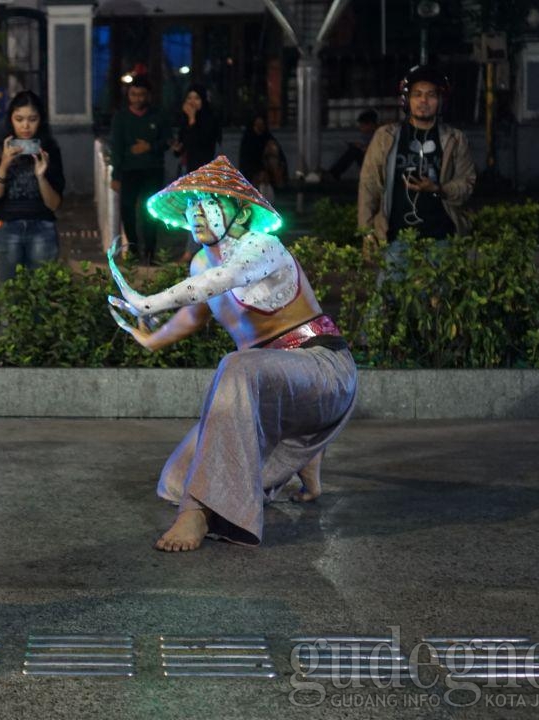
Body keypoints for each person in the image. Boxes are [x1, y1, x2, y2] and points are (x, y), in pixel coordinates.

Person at [106, 156, 357, 552]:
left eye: (207, 201)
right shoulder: (201, 262)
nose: (195, 213)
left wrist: (147, 303)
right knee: (173, 482)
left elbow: (223, 280)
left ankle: (197, 513)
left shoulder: (263, 245)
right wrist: (148, 338)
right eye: (190, 204)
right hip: (263, 388)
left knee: (235, 366)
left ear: (239, 211)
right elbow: (193, 314)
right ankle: (298, 453)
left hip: (320, 368)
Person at [358, 66, 475, 251]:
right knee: (389, 281)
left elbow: (467, 185)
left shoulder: (455, 139)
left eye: (431, 95)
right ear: (406, 100)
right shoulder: (385, 137)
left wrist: (438, 188)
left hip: (442, 239)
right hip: (396, 240)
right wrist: (366, 231)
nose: (423, 101)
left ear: (441, 101)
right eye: (417, 94)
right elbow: (368, 186)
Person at [0, 90, 65, 280]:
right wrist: (4, 163)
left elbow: (54, 204)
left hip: (42, 228)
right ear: (11, 120)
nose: (25, 126)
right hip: (5, 227)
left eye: (32, 119)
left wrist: (41, 176)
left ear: (41, 120)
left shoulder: (49, 151)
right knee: (9, 295)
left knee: (40, 296)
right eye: (19, 119)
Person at [108, 77, 169, 265]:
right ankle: (133, 250)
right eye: (133, 94)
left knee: (149, 212)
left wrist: (150, 146)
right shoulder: (121, 117)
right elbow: (116, 147)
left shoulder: (158, 116)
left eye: (141, 94)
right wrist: (115, 175)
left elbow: (167, 140)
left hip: (152, 170)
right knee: (127, 211)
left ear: (148, 95)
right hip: (129, 171)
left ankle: (150, 253)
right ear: (128, 94)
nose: (137, 98)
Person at [172, 83, 221, 175]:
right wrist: (177, 149)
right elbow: (182, 148)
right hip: (186, 169)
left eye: (197, 98)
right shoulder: (185, 121)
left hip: (203, 171)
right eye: (189, 98)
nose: (192, 102)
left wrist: (192, 118)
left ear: (203, 100)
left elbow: (202, 144)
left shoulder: (210, 119)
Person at [237, 114, 287, 199]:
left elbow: (278, 157)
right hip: (252, 171)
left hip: (268, 171)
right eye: (258, 125)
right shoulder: (248, 139)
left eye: (262, 125)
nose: (260, 127)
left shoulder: (267, 138)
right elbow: (247, 161)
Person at [328, 109, 379, 182]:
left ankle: (334, 174)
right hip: (373, 164)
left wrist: (362, 148)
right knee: (354, 149)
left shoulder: (380, 134)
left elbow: (377, 153)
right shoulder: (371, 134)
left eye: (362, 125)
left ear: (370, 124)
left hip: (377, 168)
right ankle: (333, 173)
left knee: (354, 151)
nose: (360, 128)